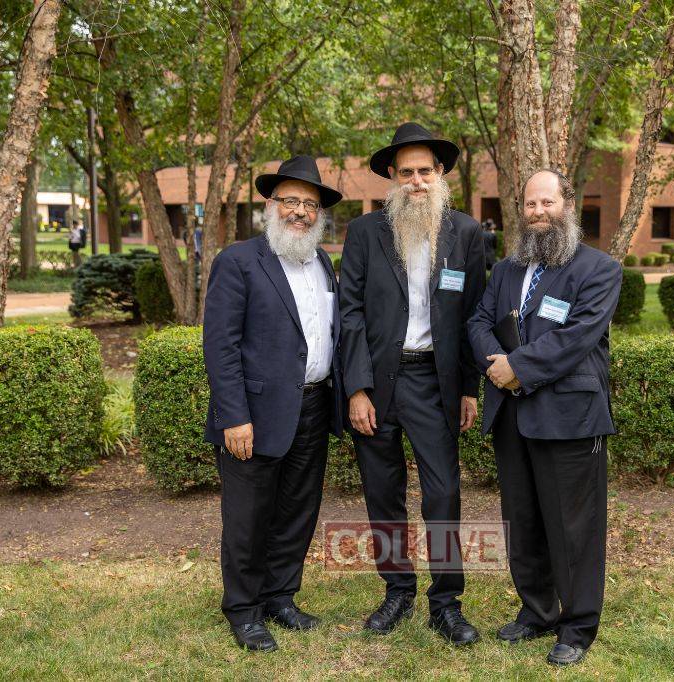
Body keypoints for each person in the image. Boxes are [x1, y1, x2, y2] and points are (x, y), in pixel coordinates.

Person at [467, 169, 622, 667]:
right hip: (512, 414)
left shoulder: (599, 269)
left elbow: (576, 337)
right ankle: (536, 611)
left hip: (569, 417)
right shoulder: (507, 269)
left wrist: (518, 367)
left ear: (567, 205)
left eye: (547, 203)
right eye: (530, 204)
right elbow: (478, 321)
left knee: (574, 528)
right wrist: (497, 366)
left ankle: (577, 627)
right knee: (524, 520)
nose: (538, 212)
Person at [339, 122, 486, 644]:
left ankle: (445, 603)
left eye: (425, 171)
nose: (417, 181)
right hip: (378, 383)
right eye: (407, 172)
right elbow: (349, 314)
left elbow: (473, 316)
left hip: (434, 382)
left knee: (443, 493)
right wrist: (356, 388)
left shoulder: (466, 233)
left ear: (440, 173)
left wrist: (468, 387)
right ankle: (397, 590)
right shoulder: (364, 233)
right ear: (393, 178)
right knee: (383, 493)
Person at [203, 155, 345, 652]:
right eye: (291, 201)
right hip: (255, 416)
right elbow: (220, 346)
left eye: (310, 204)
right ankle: (244, 610)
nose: (300, 212)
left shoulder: (322, 262)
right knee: (248, 517)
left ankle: (280, 597)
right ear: (271, 204)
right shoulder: (238, 261)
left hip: (314, 407)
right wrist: (234, 416)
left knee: (297, 511)